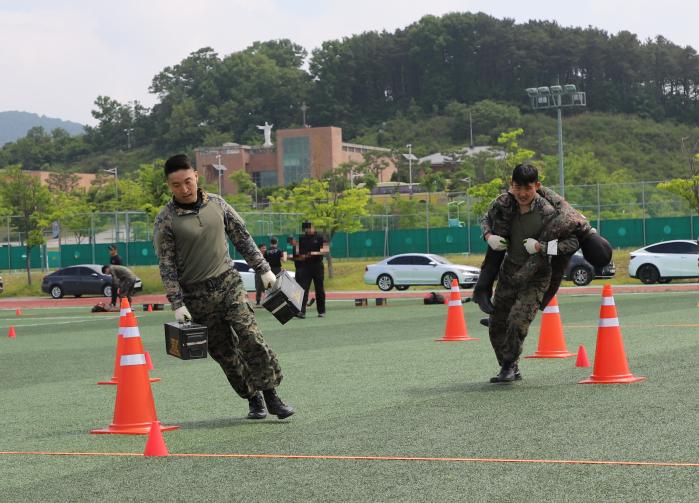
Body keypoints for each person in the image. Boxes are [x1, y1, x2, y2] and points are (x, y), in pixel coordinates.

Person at [153, 154, 293, 420]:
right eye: (176, 185)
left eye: (188, 181)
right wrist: (177, 303)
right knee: (225, 354)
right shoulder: (166, 220)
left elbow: (242, 237)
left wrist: (263, 268)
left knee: (251, 337)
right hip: (196, 297)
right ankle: (254, 399)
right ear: (168, 186)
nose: (184, 189)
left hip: (229, 284)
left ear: (195, 175)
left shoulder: (218, 204)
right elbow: (166, 264)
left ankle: (272, 395)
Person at [483, 164, 580, 383]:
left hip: (537, 276)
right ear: (511, 185)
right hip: (509, 273)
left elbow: (572, 241)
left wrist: (542, 248)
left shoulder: (548, 212)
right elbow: (485, 220)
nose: (523, 193)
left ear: (537, 185)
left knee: (517, 321)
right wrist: (488, 235)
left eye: (528, 188)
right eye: (518, 187)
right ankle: (510, 365)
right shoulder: (505, 205)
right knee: (496, 324)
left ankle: (507, 366)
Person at [473, 184, 612, 316]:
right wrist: (488, 235)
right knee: (501, 236)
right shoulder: (565, 222)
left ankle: (500, 314)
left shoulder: (577, 225)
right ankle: (483, 290)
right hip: (526, 232)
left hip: (533, 239)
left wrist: (540, 247)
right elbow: (489, 216)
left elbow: (556, 267)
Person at [297, 221, 328, 318]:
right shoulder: (301, 238)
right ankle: (301, 311)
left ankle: (321, 311)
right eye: (305, 229)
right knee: (303, 289)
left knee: (319, 289)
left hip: (317, 266)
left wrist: (314, 253)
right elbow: (299, 252)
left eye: (309, 228)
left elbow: (326, 250)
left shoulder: (320, 237)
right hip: (305, 266)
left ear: (313, 227)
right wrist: (301, 256)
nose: (307, 230)